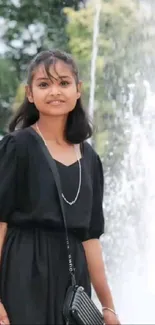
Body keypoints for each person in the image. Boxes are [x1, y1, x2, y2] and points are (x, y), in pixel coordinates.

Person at [0, 49, 120, 325]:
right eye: (44, 84)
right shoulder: (16, 147)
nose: (55, 91)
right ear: (30, 93)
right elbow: (0, 225)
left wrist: (108, 307)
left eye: (64, 83)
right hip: (24, 270)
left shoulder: (90, 159)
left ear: (78, 90)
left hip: (73, 280)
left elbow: (90, 239)